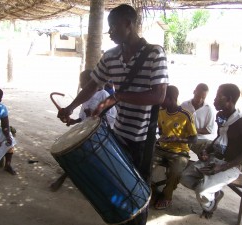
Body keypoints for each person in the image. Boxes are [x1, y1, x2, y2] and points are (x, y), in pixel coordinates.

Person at [57, 4, 168, 225]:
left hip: (143, 138)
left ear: (129, 24)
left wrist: (120, 96)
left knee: (138, 189)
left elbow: (158, 95)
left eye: (113, 27)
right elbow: (93, 85)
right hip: (118, 132)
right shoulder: (110, 56)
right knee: (117, 187)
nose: (110, 32)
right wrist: (70, 106)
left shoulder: (155, 53)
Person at [180, 83, 242, 219]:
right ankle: (214, 193)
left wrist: (222, 167)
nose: (214, 100)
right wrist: (206, 151)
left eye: (219, 97)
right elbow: (220, 137)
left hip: (231, 165)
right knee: (184, 177)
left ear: (230, 99)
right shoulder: (221, 116)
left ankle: (210, 204)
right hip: (214, 159)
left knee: (202, 192)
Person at [50, 70, 117, 191]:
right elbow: (82, 118)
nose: (81, 85)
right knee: (76, 153)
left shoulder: (104, 95)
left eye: (83, 82)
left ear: (91, 82)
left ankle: (64, 177)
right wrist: (73, 121)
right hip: (85, 132)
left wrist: (94, 115)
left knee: (81, 155)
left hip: (99, 132)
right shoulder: (84, 97)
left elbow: (112, 118)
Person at [154, 85, 197, 209]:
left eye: (163, 97)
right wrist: (162, 137)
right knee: (146, 166)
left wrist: (178, 139)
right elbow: (162, 130)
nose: (160, 100)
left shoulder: (186, 115)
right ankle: (152, 191)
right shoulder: (161, 112)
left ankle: (167, 196)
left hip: (180, 152)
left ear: (171, 98)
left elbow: (194, 138)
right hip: (161, 148)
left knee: (175, 172)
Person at [181, 83, 216, 155]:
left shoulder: (209, 109)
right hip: (182, 137)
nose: (200, 100)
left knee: (211, 148)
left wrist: (192, 131)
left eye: (203, 98)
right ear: (194, 92)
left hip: (199, 139)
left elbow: (209, 130)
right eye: (198, 96)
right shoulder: (184, 105)